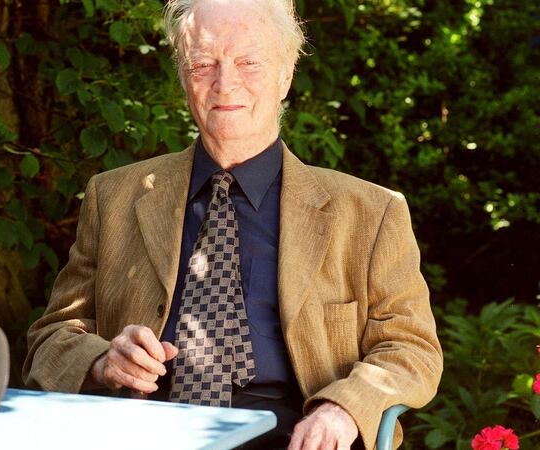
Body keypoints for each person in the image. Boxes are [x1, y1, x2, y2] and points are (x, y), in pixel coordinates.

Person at [23, 0, 443, 448]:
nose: (226, 83)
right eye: (203, 63)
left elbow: (411, 348)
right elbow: (50, 340)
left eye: (249, 62)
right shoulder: (115, 197)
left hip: (293, 435)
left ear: (287, 74)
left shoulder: (369, 212)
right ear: (183, 77)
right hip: (143, 433)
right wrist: (103, 360)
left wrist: (344, 407)